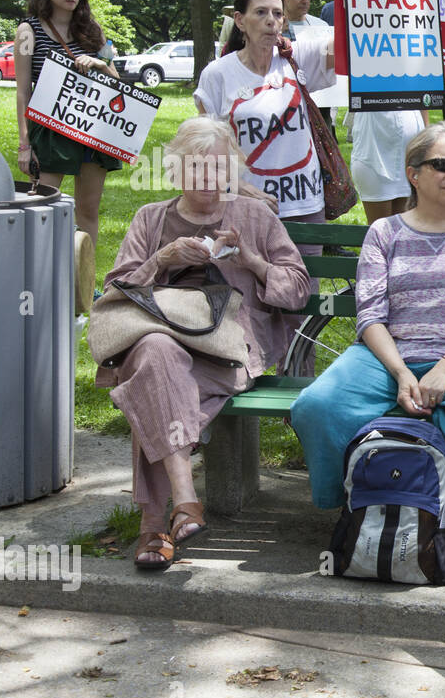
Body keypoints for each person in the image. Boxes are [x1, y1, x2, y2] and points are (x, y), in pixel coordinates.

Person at [98, 117, 310, 569]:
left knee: (151, 386)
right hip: (159, 341)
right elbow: (115, 289)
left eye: (218, 169)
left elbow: (296, 290)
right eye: (196, 169)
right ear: (175, 170)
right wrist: (161, 259)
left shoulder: (253, 217)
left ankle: (155, 526)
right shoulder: (151, 218)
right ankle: (185, 500)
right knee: (156, 356)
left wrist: (251, 260)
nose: (208, 180)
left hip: (227, 352)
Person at [290, 122, 445, 522]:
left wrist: (444, 370)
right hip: (388, 356)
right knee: (316, 406)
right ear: (413, 174)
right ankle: (353, 499)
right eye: (443, 165)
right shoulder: (384, 232)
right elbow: (370, 313)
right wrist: (401, 372)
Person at [194, 0, 334, 234]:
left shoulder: (297, 58)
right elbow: (204, 149)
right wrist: (235, 184)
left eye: (277, 13)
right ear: (240, 20)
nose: (271, 20)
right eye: (260, 12)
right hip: (245, 209)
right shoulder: (217, 74)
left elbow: (352, 42)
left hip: (306, 208)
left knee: (303, 276)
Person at [14, 0, 123, 245]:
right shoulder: (28, 31)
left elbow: (117, 80)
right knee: (41, 209)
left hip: (92, 128)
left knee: (87, 210)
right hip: (50, 129)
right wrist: (25, 145)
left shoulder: (94, 30)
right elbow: (23, 91)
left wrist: (99, 63)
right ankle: (39, 281)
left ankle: (84, 286)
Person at [349, 109, 425, 223]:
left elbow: (423, 98)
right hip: (375, 152)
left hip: (410, 152)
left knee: (404, 232)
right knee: (380, 231)